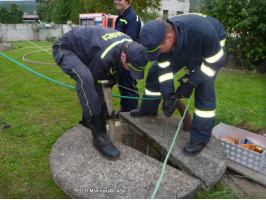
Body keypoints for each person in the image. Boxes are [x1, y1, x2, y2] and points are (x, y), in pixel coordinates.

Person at [131, 13, 226, 156]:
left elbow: (216, 62)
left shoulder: (203, 33)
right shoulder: (162, 36)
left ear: (170, 38)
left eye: (158, 50)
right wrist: (169, 96)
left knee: (204, 88)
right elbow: (164, 71)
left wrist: (192, 81)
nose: (157, 54)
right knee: (154, 72)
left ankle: (200, 139)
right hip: (182, 44)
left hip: (211, 45)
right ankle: (148, 108)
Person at [52, 26, 147, 160]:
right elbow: (97, 87)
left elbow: (111, 75)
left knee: (97, 85)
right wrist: (101, 118)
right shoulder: (105, 55)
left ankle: (86, 120)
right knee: (85, 79)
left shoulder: (129, 45)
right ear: (124, 56)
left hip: (87, 49)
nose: (130, 70)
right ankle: (99, 136)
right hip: (65, 47)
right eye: (130, 67)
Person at [114, 0, 142, 118]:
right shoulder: (121, 16)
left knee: (129, 84)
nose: (116, 1)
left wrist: (125, 59)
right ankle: (124, 107)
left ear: (127, 1)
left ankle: (132, 110)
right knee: (121, 83)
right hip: (120, 57)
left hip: (128, 57)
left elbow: (129, 41)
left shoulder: (131, 18)